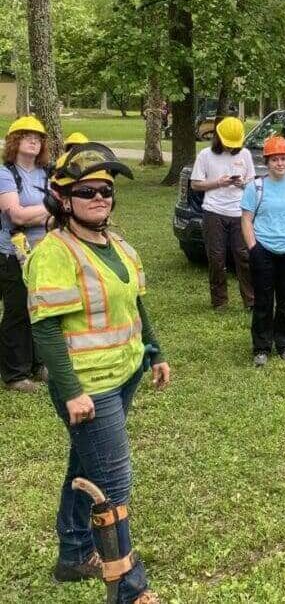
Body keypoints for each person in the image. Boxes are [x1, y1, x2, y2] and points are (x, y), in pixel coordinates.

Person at [24, 143, 168, 603]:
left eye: (106, 190)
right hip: (88, 387)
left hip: (123, 374)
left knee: (85, 467)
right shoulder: (54, 252)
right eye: (87, 191)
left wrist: (155, 352)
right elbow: (45, 331)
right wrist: (69, 392)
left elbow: (135, 304)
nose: (100, 198)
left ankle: (73, 554)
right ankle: (128, 587)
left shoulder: (116, 243)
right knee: (113, 485)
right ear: (63, 200)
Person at [241, 136, 285, 366]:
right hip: (263, 250)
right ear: (267, 162)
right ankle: (261, 348)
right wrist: (253, 247)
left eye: (283, 159)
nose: (279, 163)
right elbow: (246, 219)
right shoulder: (255, 188)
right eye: (274, 159)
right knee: (263, 300)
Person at [0, 116, 50, 392]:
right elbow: (15, 213)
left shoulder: (47, 173)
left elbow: (64, 206)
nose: (34, 140)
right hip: (12, 254)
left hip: (44, 253)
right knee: (18, 311)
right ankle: (15, 375)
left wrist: (45, 213)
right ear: (14, 141)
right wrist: (51, 209)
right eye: (27, 135)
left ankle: (38, 364)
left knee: (40, 309)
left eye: (38, 136)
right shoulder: (5, 173)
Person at [190, 116, 255, 311]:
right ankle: (219, 301)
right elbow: (195, 184)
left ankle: (251, 300)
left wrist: (242, 183)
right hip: (213, 212)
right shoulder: (205, 155)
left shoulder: (245, 155)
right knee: (216, 257)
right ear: (217, 137)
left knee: (243, 256)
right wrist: (218, 182)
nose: (230, 148)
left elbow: (251, 183)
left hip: (239, 212)